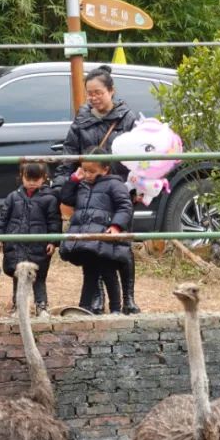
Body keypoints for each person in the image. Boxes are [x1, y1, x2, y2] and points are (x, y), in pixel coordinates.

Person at [52, 64, 140, 314]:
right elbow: (70, 152)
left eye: (98, 92)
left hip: (119, 187)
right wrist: (64, 184)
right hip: (89, 191)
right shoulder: (82, 119)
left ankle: (129, 298)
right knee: (92, 247)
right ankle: (97, 297)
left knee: (121, 247)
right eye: (90, 93)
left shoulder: (127, 118)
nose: (93, 98)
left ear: (111, 91)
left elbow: (139, 154)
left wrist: (137, 186)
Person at [58, 151, 134, 314]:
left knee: (108, 271)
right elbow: (66, 198)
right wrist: (73, 180)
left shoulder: (114, 185)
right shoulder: (82, 184)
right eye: (84, 170)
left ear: (105, 170)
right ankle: (84, 306)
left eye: (91, 171)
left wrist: (116, 226)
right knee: (89, 271)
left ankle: (115, 308)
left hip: (104, 236)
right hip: (86, 237)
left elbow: (125, 206)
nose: (87, 175)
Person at [0, 162, 62, 317]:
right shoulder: (13, 197)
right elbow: (3, 218)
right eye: (28, 178)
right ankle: (18, 306)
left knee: (38, 277)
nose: (32, 183)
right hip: (16, 243)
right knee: (17, 276)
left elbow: (54, 221)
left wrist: (52, 241)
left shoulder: (49, 199)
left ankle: (41, 306)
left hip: (38, 245)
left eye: (36, 179)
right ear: (22, 177)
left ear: (44, 178)